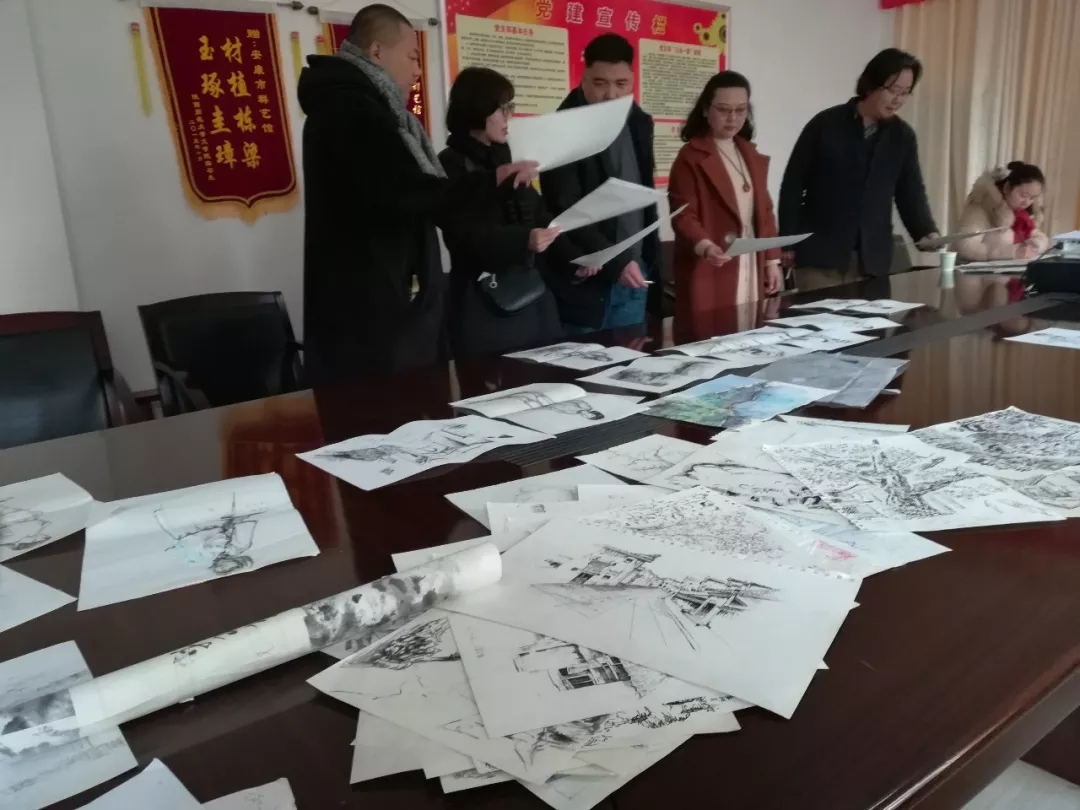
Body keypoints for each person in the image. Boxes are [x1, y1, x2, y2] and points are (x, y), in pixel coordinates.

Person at [298, 5, 534, 384]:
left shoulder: (368, 107)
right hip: (372, 304)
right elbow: (405, 192)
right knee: (387, 406)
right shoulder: (350, 109)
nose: (418, 70)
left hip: (385, 298)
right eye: (411, 56)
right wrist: (489, 182)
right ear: (377, 51)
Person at [439, 67, 590, 360]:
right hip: (483, 300)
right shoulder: (451, 163)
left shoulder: (506, 155)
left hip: (531, 292)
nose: (510, 116)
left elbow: (539, 213)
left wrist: (575, 258)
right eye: (502, 108)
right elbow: (463, 235)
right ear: (478, 109)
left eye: (511, 106)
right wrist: (524, 240)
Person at [778, 48, 941, 292]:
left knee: (873, 318)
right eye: (893, 90)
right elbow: (792, 185)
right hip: (820, 257)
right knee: (820, 317)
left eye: (905, 92)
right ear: (871, 84)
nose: (898, 100)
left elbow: (911, 192)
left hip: (873, 261)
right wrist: (787, 242)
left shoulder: (902, 137)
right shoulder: (825, 124)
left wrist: (925, 231)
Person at [540, 34, 658, 333]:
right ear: (584, 77)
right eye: (600, 83)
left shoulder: (639, 122)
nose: (611, 94)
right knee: (585, 359)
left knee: (633, 356)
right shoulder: (561, 129)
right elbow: (565, 206)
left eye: (621, 84)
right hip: (589, 276)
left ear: (632, 80)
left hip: (636, 269)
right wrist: (616, 261)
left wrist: (645, 258)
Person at [668, 71, 783, 326]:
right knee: (714, 332)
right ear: (706, 110)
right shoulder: (691, 156)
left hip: (751, 261)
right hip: (713, 262)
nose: (732, 118)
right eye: (723, 109)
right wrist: (704, 245)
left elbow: (765, 212)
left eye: (741, 110)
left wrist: (772, 261)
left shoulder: (749, 153)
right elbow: (683, 214)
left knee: (750, 329)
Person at [956, 162, 1049, 263]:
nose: (1026, 202)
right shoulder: (982, 207)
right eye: (1023, 195)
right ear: (1007, 188)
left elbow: (1040, 237)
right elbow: (965, 246)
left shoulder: (1022, 214)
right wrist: (1011, 252)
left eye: (1032, 198)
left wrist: (1034, 246)